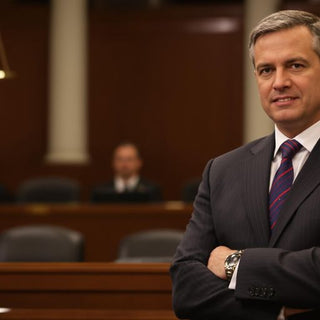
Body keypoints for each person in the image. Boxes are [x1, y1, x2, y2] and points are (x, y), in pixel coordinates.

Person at [170, 10, 320, 320]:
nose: (279, 82)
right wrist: (280, 312)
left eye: (295, 65)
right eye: (266, 70)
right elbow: (186, 286)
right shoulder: (222, 171)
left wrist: (236, 264)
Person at [91, 142, 162, 202]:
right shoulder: (101, 191)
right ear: (113, 162)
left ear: (139, 162)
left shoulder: (151, 190)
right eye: (120, 159)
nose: (124, 164)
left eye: (129, 159)